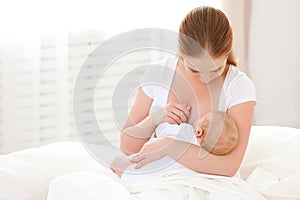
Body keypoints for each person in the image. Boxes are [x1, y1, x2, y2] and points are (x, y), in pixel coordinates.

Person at [119, 6, 256, 178]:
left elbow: (229, 166)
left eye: (215, 70)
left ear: (227, 52)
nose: (206, 79)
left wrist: (169, 145)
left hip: (209, 183)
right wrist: (155, 118)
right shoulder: (159, 74)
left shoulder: (238, 85)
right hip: (160, 179)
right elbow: (126, 147)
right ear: (181, 54)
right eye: (194, 70)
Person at [110, 111, 238, 181]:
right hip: (172, 178)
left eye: (202, 117)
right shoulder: (207, 162)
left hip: (153, 169)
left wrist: (166, 119)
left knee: (119, 162)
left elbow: (163, 131)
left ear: (199, 132)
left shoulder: (186, 131)